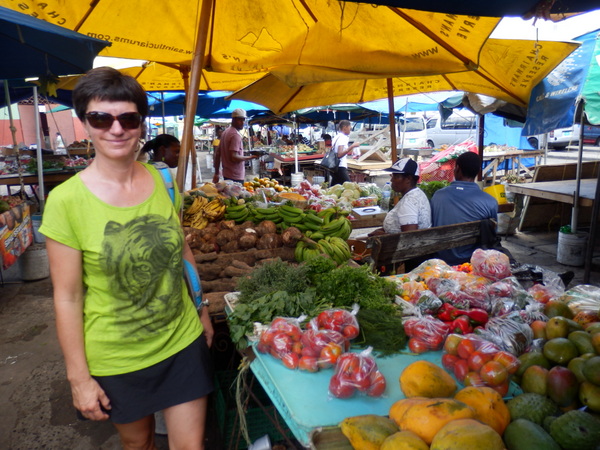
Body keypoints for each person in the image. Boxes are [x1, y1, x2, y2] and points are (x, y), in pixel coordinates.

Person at [38, 67, 214, 450]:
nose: (116, 129)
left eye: (128, 119)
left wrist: (201, 309)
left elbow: (181, 250)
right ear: (85, 123)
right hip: (116, 357)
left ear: (141, 124)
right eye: (101, 118)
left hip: (181, 340)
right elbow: (67, 297)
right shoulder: (66, 202)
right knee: (139, 444)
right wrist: (78, 378)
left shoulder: (163, 181)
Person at [430, 151, 498, 265]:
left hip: (441, 261)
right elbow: (492, 235)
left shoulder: (438, 196)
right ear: (478, 172)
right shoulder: (490, 202)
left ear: (457, 169)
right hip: (472, 262)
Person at [369, 158, 431, 236]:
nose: (391, 180)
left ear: (408, 179)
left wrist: (383, 236)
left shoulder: (408, 202)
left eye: (396, 177)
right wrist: (384, 230)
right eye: (392, 176)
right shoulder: (418, 193)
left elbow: (409, 237)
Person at [212, 108, 258, 184]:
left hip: (227, 174)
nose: (242, 123)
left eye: (243, 120)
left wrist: (216, 172)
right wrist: (251, 157)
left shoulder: (225, 132)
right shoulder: (235, 135)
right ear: (233, 119)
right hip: (235, 176)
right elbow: (234, 157)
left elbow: (218, 154)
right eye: (240, 120)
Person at [330, 120, 360, 186]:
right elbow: (339, 154)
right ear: (345, 127)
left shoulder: (336, 137)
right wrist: (352, 146)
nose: (350, 130)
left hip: (334, 166)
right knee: (349, 187)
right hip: (340, 167)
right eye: (349, 128)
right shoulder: (342, 138)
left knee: (334, 187)